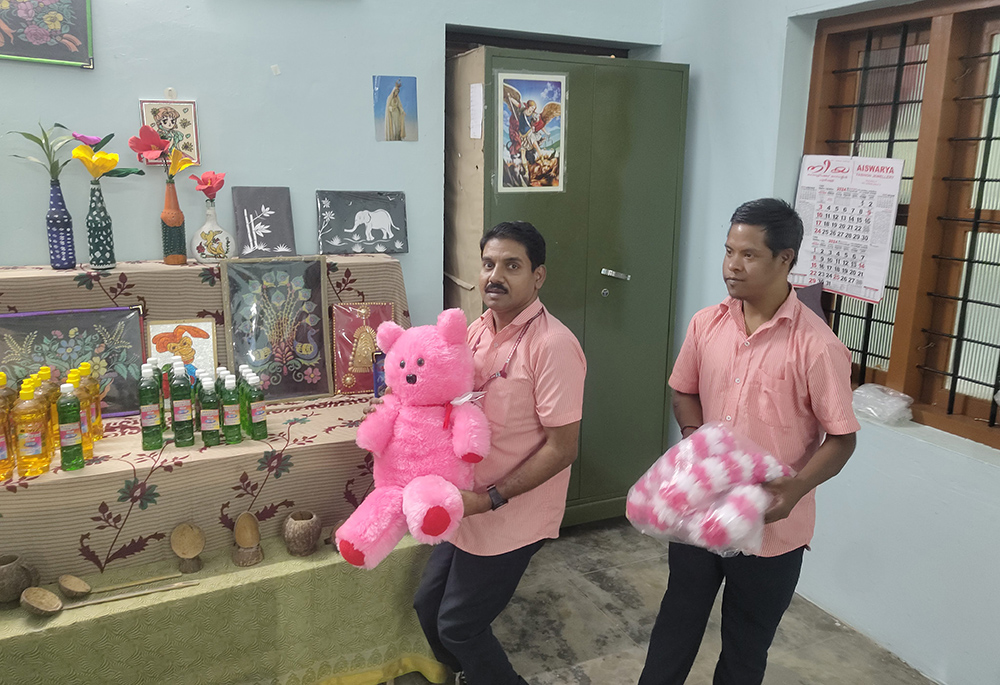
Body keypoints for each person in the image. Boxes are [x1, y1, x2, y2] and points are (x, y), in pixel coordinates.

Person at [638, 198, 860, 685]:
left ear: (786, 259)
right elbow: (683, 388)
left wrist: (795, 490)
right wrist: (696, 441)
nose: (732, 267)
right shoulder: (707, 324)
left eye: (749, 255)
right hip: (701, 508)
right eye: (728, 251)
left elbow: (842, 438)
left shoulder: (817, 345)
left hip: (771, 527)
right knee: (676, 623)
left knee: (746, 646)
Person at [412, 221, 587, 685]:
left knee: (459, 624)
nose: (496, 276)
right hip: (465, 503)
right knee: (426, 607)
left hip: (510, 511)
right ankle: (475, 673)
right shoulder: (475, 331)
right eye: (489, 264)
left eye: (512, 265)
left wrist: (491, 498)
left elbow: (563, 448)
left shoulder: (554, 346)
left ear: (538, 276)